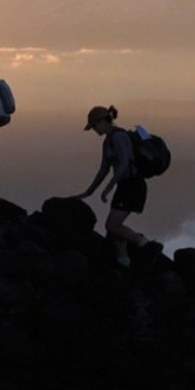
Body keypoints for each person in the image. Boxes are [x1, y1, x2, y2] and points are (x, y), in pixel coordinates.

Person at [72, 105, 162, 268]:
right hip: (124, 186)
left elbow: (123, 164)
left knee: (112, 225)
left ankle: (146, 244)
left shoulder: (119, 137)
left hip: (133, 185)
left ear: (102, 121)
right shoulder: (108, 141)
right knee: (114, 228)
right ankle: (123, 262)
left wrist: (108, 188)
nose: (94, 130)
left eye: (94, 126)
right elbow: (103, 170)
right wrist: (88, 192)